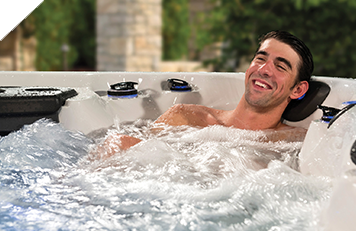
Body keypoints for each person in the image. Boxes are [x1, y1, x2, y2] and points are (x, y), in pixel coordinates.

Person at [96, 30, 314, 158]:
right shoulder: (185, 117)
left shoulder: (298, 141)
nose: (264, 69)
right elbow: (138, 151)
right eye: (260, 58)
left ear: (298, 90)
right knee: (115, 142)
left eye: (280, 66)